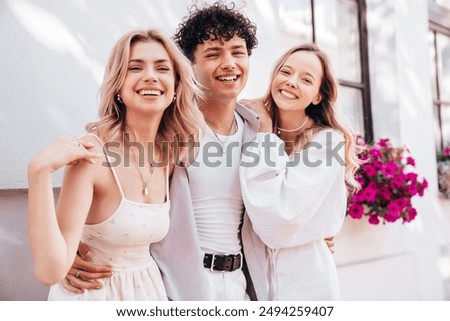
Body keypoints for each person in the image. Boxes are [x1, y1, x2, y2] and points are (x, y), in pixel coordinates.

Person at [27, 28, 203, 300]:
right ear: (118, 85)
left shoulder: (170, 155)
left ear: (176, 86)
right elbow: (51, 271)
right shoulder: (91, 156)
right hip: (92, 295)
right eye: (135, 67)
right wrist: (38, 172)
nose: (150, 77)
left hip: (146, 293)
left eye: (162, 68)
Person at [239, 43, 360, 300]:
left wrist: (264, 134)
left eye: (306, 79)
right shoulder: (248, 126)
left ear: (318, 95)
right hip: (251, 278)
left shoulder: (327, 142)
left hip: (306, 280)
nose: (292, 82)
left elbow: (280, 216)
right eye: (286, 72)